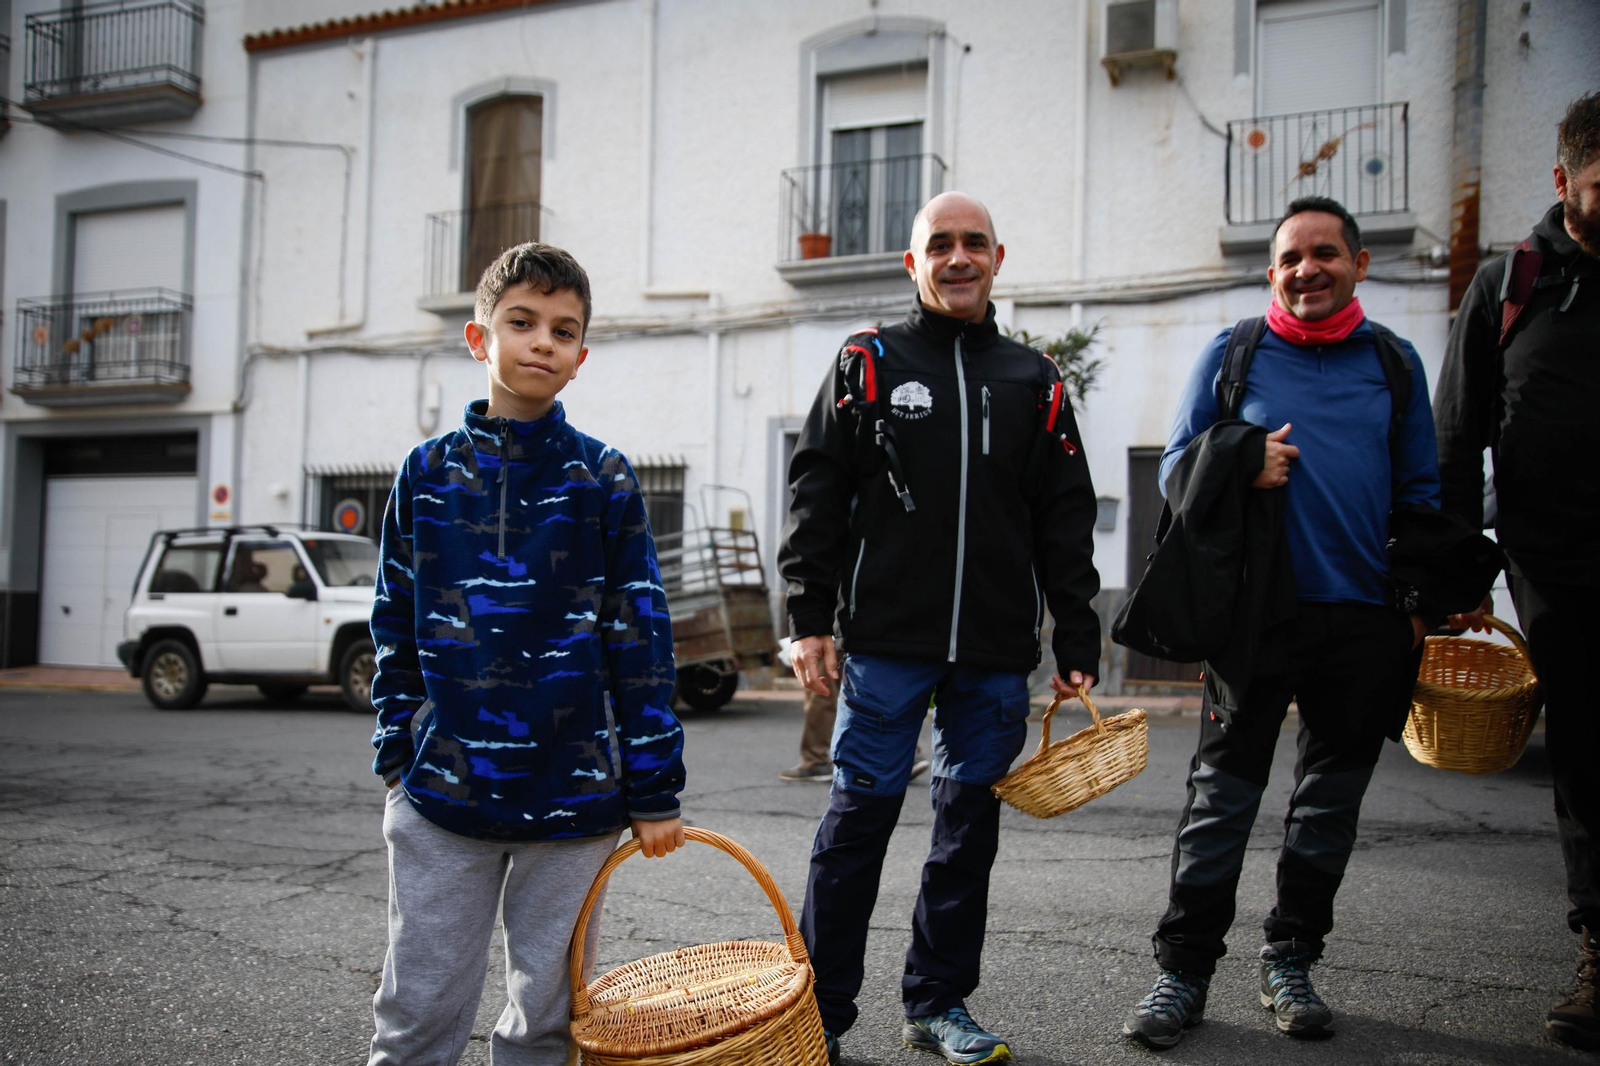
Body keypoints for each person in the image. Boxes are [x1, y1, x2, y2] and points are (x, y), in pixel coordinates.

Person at [780, 191, 1102, 1064]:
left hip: (993, 654)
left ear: (998, 258)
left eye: (975, 243)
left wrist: (1078, 635)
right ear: (913, 263)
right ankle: (819, 1016)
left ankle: (938, 1003)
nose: (959, 258)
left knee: (966, 837)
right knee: (854, 830)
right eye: (941, 244)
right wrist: (808, 615)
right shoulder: (868, 361)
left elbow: (1065, 517)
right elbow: (816, 490)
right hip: (886, 644)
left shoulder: (1035, 380)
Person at [1122, 197, 1440, 1050]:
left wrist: (1415, 607)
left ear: (1359, 265)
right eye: (1291, 258)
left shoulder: (1395, 363)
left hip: (1364, 621)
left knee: (1328, 806)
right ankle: (1183, 972)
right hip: (1253, 620)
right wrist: (1240, 456)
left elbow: (1421, 492)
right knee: (1221, 802)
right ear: (1272, 273)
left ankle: (1291, 960)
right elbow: (1177, 469)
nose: (1307, 270)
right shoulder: (1234, 354)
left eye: (1325, 253)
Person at [366, 242, 686, 1066]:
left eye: (563, 330)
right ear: (480, 338)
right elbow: (393, 619)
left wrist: (654, 787)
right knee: (417, 1013)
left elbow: (640, 636)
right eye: (522, 322)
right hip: (442, 798)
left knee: (548, 1022)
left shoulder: (603, 479)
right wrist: (399, 748)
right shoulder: (425, 474)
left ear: (581, 357)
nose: (543, 341)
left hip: (576, 801)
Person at [1435, 91, 1600, 1052]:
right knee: (1586, 762)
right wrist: (1461, 576)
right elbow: (1459, 438)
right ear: (1563, 182)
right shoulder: (1512, 285)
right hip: (1560, 571)